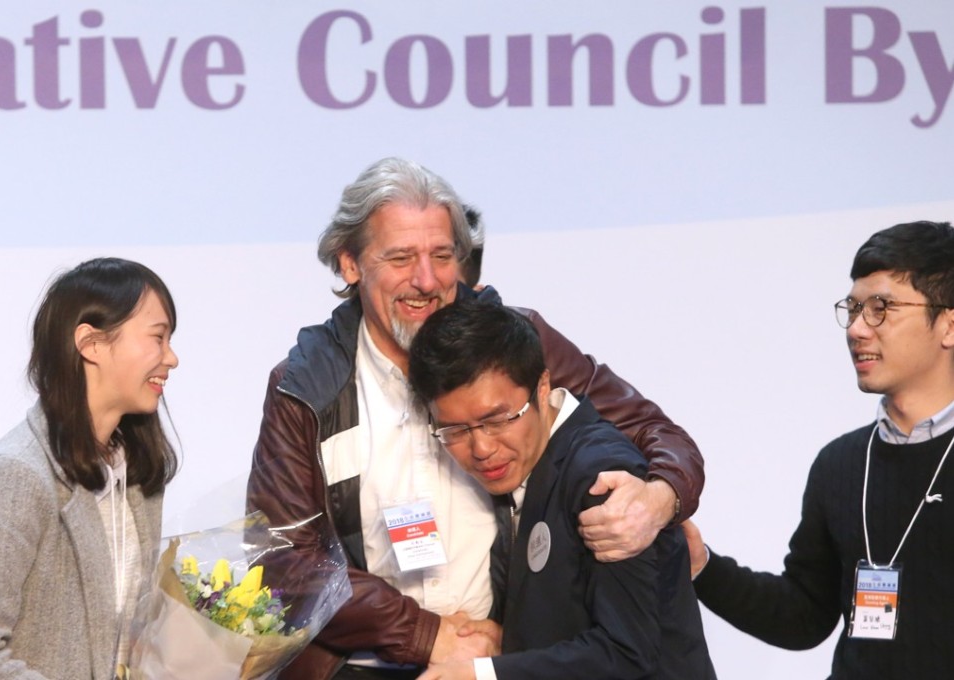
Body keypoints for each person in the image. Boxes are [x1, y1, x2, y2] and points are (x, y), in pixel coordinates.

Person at [247, 157, 705, 680]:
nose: (426, 280)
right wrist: (430, 636)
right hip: (359, 665)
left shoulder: (515, 340)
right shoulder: (306, 384)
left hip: (501, 662)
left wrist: (659, 498)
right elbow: (284, 561)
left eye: (442, 255)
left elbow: (654, 433)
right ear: (350, 264)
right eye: (400, 257)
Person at [684, 220, 954, 679]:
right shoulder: (841, 463)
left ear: (948, 324)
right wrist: (701, 566)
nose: (856, 329)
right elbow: (804, 616)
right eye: (852, 309)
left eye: (881, 308)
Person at [407, 299, 716, 680]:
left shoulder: (603, 477)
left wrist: (485, 676)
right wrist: (510, 642)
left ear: (542, 388)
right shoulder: (531, 469)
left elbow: (627, 652)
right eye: (455, 431)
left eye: (498, 420)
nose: (482, 449)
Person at [0, 258, 180, 679]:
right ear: (91, 344)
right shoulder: (14, 478)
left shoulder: (137, 474)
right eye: (158, 338)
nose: (172, 358)